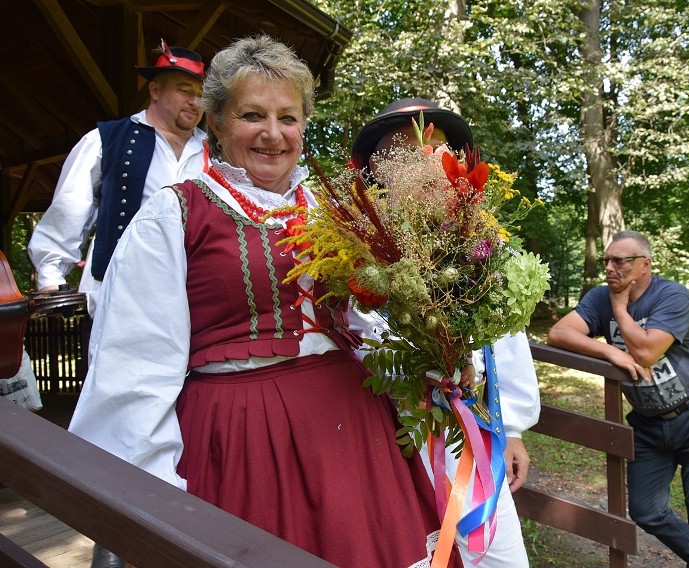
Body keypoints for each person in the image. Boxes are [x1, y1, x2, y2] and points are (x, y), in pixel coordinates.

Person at [68, 35, 460, 568]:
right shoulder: (174, 214)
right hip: (243, 439)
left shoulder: (332, 208)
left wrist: (424, 364)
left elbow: (362, 320)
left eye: (289, 117)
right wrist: (150, 500)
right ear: (218, 122)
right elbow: (134, 366)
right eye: (252, 114)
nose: (273, 134)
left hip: (355, 435)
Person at [350, 98, 541, 568]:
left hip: (473, 438)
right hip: (392, 434)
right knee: (414, 550)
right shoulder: (355, 249)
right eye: (403, 151)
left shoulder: (479, 239)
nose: (423, 159)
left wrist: (511, 428)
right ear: (378, 168)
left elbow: (505, 338)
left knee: (498, 553)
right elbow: (356, 336)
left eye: (434, 147)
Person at [546, 230, 689, 568]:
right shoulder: (599, 298)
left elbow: (644, 351)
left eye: (620, 261)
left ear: (645, 265)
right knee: (646, 509)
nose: (610, 268)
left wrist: (620, 309)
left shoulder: (672, 296)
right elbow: (558, 333)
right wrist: (608, 352)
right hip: (647, 423)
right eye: (607, 261)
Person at [28, 39, 206, 317]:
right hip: (119, 295)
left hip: (196, 295)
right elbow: (70, 208)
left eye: (200, 94)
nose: (195, 102)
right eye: (185, 91)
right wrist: (51, 277)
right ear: (155, 90)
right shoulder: (106, 140)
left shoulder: (215, 152)